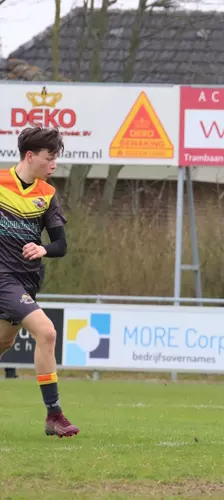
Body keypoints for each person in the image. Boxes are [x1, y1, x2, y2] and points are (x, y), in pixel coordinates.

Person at [0, 127, 78, 437]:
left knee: (4, 342)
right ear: (30, 156)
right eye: (50, 158)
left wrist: (43, 247)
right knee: (46, 332)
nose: (54, 164)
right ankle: (54, 415)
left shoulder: (46, 194)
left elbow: (61, 245)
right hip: (3, 278)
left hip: (27, 280)